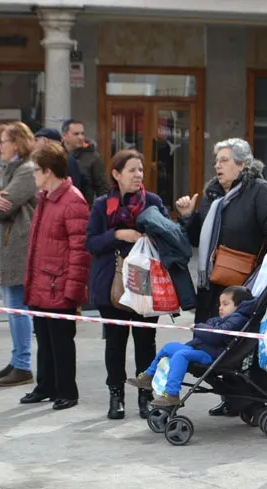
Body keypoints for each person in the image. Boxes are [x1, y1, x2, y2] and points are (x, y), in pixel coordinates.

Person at [176, 137, 267, 417]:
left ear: (242, 164)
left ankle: (257, 401)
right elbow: (199, 238)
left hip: (244, 287)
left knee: (246, 346)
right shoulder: (213, 195)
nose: (218, 166)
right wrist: (188, 217)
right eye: (216, 161)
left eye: (224, 160)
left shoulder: (258, 189)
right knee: (216, 346)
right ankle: (232, 397)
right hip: (213, 287)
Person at [86, 150, 170, 420]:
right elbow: (91, 243)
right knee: (115, 342)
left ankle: (146, 396)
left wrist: (153, 233)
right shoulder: (103, 205)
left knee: (146, 342)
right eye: (132, 170)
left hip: (146, 283)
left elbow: (169, 236)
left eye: (140, 170)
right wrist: (118, 234)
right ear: (116, 174)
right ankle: (116, 396)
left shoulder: (152, 202)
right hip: (112, 284)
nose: (138, 175)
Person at [22, 143, 91, 410]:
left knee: (61, 342)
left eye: (35, 170)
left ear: (48, 171)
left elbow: (80, 251)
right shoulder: (45, 198)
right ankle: (45, 385)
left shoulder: (73, 200)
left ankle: (66, 391)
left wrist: (73, 291)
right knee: (44, 339)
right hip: (42, 283)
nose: (33, 175)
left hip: (58, 284)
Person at [127, 286, 255, 406]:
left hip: (213, 355)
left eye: (225, 304)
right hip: (204, 349)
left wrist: (199, 327)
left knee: (181, 355)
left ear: (239, 305)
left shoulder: (238, 319)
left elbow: (216, 335)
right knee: (169, 347)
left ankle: (172, 394)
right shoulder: (225, 319)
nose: (220, 308)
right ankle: (148, 377)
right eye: (220, 304)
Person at [0, 122, 37, 388]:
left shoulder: (26, 170)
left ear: (16, 143)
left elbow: (0, 209)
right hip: (8, 246)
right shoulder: (10, 170)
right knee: (12, 307)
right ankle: (17, 358)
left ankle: (23, 364)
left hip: (19, 246)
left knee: (18, 308)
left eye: (3, 141)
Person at [34, 127, 92, 203]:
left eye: (36, 140)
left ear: (46, 141)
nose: (34, 144)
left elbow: (74, 186)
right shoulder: (58, 158)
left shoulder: (65, 159)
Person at [62, 119, 109, 201]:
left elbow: (102, 187)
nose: (81, 137)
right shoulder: (58, 155)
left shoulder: (93, 156)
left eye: (82, 133)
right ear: (64, 136)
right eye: (76, 134)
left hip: (85, 205)